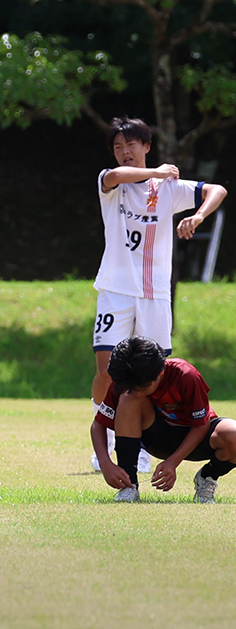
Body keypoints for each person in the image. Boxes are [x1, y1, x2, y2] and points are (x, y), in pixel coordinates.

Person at [89, 117, 227, 472]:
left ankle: (141, 444)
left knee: (151, 373)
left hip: (154, 294)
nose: (124, 152)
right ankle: (107, 437)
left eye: (131, 145)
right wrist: (157, 171)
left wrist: (198, 216)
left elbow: (217, 190)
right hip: (116, 289)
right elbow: (114, 176)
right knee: (107, 370)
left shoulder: (167, 189)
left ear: (146, 146)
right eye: (118, 147)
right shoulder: (113, 183)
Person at [92, 336, 236, 503]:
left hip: (195, 438)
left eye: (143, 388)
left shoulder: (186, 375)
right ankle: (129, 486)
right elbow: (98, 424)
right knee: (128, 398)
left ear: (160, 372)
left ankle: (207, 477)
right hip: (156, 438)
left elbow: (201, 425)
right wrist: (105, 463)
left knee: (233, 434)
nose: (137, 392)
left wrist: (173, 462)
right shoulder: (128, 378)